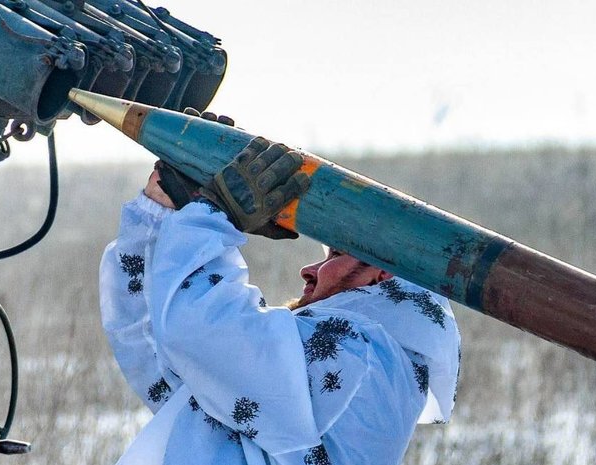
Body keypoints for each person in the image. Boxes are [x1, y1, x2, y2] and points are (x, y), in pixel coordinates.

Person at [99, 121, 461, 465]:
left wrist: (212, 214)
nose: (308, 270)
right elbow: (156, 348)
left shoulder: (366, 360)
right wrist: (162, 209)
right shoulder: (364, 367)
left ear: (382, 276)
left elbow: (200, 332)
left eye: (334, 255)